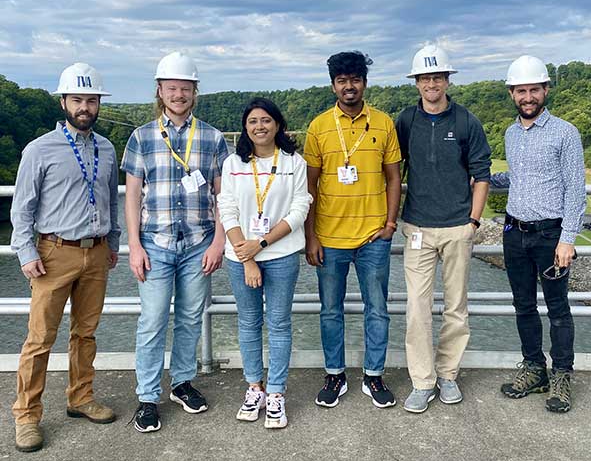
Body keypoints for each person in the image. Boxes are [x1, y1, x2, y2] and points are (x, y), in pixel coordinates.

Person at [10, 63, 120, 452]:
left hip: (96, 251)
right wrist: (25, 252)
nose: (85, 106)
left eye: (91, 100)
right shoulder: (39, 149)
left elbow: (111, 197)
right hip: (53, 252)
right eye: (78, 99)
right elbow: (22, 208)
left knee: (85, 333)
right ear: (64, 102)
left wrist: (114, 242)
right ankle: (26, 415)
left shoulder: (106, 148)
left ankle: (81, 397)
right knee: (39, 339)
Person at [121, 52, 229, 433]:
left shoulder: (213, 137)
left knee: (188, 318)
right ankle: (148, 397)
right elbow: (132, 196)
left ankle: (182, 383)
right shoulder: (142, 137)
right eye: (172, 88)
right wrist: (134, 245)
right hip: (156, 243)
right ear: (160, 90)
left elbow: (224, 198)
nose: (179, 94)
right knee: (152, 321)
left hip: (200, 243)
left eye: (186, 88)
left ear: (195, 92)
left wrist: (219, 243)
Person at [304, 51, 401, 409]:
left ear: (364, 82)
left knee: (378, 308)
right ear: (333, 85)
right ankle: (335, 374)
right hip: (329, 238)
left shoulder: (383, 123)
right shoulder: (319, 127)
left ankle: (374, 376)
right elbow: (309, 187)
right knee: (330, 310)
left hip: (374, 236)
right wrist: (310, 236)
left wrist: (391, 223)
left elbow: (394, 177)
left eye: (355, 79)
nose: (349, 86)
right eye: (342, 80)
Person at [396, 45, 491, 413]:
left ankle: (448, 374)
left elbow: (481, 174)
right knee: (417, 310)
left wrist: (473, 222)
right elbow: (394, 170)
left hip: (457, 227)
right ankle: (422, 381)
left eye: (437, 77)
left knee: (456, 307)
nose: (431, 84)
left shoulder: (466, 121)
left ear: (447, 80)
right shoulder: (406, 120)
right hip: (418, 225)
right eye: (424, 78)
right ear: (416, 82)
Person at [491, 55, 586, 413]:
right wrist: (482, 181)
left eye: (534, 89)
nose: (527, 96)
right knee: (524, 305)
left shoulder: (565, 132)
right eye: (521, 90)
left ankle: (561, 375)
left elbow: (575, 189)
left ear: (545, 90)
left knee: (558, 309)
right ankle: (534, 368)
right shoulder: (511, 133)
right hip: (514, 232)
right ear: (512, 93)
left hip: (550, 236)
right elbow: (518, 177)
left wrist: (568, 239)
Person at [218, 98, 311, 428]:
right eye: (253, 121)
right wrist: (247, 257)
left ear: (278, 125)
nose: (260, 126)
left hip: (282, 254)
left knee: (280, 323)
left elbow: (299, 210)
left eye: (266, 120)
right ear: (245, 127)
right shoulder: (233, 163)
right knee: (248, 322)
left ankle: (276, 393)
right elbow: (226, 209)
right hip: (240, 257)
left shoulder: (293, 163)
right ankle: (254, 386)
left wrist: (262, 243)